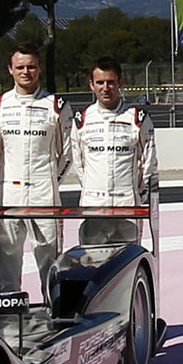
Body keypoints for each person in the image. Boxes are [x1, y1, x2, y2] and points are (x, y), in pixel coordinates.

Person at [0, 43, 73, 298]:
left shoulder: (56, 105)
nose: (26, 72)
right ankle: (10, 309)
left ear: (40, 69)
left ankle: (51, 309)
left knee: (50, 259)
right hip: (8, 194)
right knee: (7, 258)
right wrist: (6, 179)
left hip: (44, 193)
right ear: (10, 70)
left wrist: (49, 181)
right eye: (20, 67)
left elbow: (66, 154)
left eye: (31, 67)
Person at [68, 58, 157, 254]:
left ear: (120, 83)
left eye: (111, 82)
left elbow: (148, 163)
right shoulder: (81, 120)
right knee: (91, 262)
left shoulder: (137, 118)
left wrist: (136, 193)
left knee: (128, 263)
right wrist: (92, 189)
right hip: (93, 204)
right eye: (100, 82)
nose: (105, 88)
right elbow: (79, 163)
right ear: (91, 85)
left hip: (127, 205)